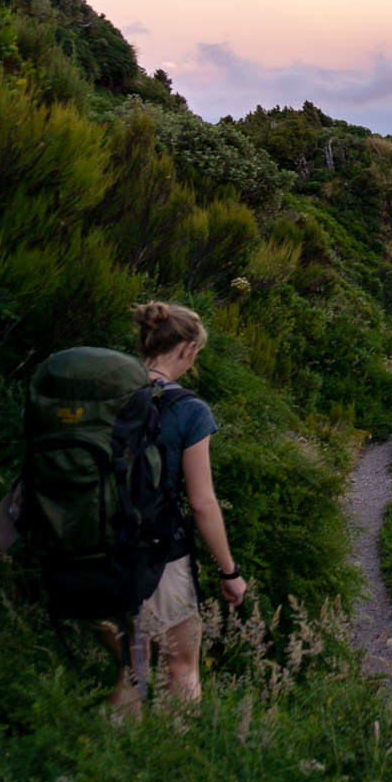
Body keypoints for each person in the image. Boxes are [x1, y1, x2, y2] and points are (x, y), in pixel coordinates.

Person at [99, 301, 247, 707]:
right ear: (186, 348)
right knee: (180, 665)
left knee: (132, 670)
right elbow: (202, 502)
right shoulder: (188, 409)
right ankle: (180, 763)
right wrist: (229, 571)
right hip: (157, 553)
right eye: (196, 351)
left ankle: (108, 767)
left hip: (91, 549)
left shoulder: (107, 395)